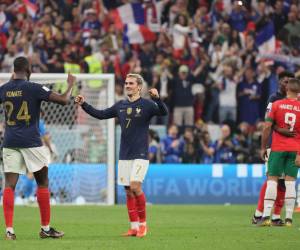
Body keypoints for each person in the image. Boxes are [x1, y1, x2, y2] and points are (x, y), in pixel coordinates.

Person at [75, 73, 168, 237]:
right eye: (126, 83)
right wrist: (84, 104)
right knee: (127, 191)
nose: (127, 86)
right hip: (125, 153)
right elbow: (101, 114)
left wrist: (158, 99)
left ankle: (143, 225)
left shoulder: (146, 105)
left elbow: (163, 112)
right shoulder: (120, 106)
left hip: (140, 153)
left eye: (131, 83)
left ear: (139, 87)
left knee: (135, 187)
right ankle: (133, 227)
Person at [0, 56, 76, 240]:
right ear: (29, 70)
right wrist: (70, 84)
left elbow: (10, 91)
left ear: (13, 71)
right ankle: (45, 228)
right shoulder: (33, 87)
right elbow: (64, 100)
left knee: (9, 185)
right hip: (32, 142)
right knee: (42, 183)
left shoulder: (4, 89)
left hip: (9, 141)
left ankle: (9, 230)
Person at [252, 71, 294, 225]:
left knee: (283, 183)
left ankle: (276, 216)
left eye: (290, 81)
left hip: (290, 146)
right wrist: (280, 130)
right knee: (272, 179)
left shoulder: (295, 100)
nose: (287, 84)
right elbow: (268, 122)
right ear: (279, 83)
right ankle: (258, 213)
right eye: (284, 81)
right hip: (274, 144)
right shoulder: (274, 99)